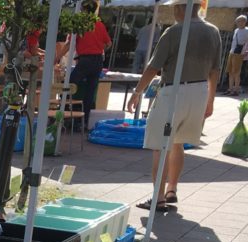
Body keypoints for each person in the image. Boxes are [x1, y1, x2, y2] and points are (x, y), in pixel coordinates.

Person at [126, 0, 221, 212]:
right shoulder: (213, 31)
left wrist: (137, 92)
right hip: (199, 92)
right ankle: (171, 189)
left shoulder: (174, 31)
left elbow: (153, 67)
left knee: (160, 145)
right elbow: (215, 70)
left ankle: (158, 197)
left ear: (180, 8)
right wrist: (211, 99)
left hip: (173, 91)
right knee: (178, 142)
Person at [69, 1, 111, 130]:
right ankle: (84, 121)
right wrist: (98, 49)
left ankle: (70, 117)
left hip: (85, 60)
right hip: (98, 60)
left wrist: (56, 58)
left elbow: (68, 44)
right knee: (90, 91)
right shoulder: (99, 24)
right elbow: (109, 44)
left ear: (83, 9)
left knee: (70, 86)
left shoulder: (80, 24)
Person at [224, 15, 248, 96]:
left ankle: (236, 90)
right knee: (230, 72)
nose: (239, 23)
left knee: (236, 73)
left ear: (245, 22)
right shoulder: (236, 30)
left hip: (239, 54)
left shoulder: (247, 31)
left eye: (241, 21)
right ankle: (230, 89)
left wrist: (246, 51)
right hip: (232, 52)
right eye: (238, 21)